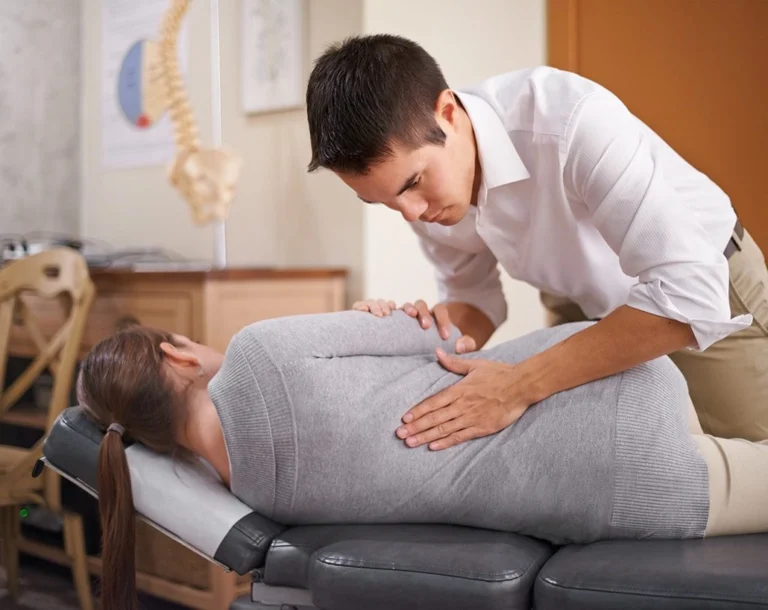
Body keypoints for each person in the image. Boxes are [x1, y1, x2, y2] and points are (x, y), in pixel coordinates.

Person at [78, 311, 768, 610]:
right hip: (622, 394)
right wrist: (395, 314)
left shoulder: (258, 496)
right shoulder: (258, 353)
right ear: (177, 354)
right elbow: (444, 333)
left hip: (628, 499)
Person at [304, 34, 768, 449]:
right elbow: (475, 302)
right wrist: (403, 335)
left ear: (447, 113)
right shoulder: (421, 197)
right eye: (382, 202)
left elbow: (688, 293)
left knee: (755, 472)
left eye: (412, 184)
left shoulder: (569, 120)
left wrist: (519, 384)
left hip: (707, 288)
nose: (413, 214)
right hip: (582, 306)